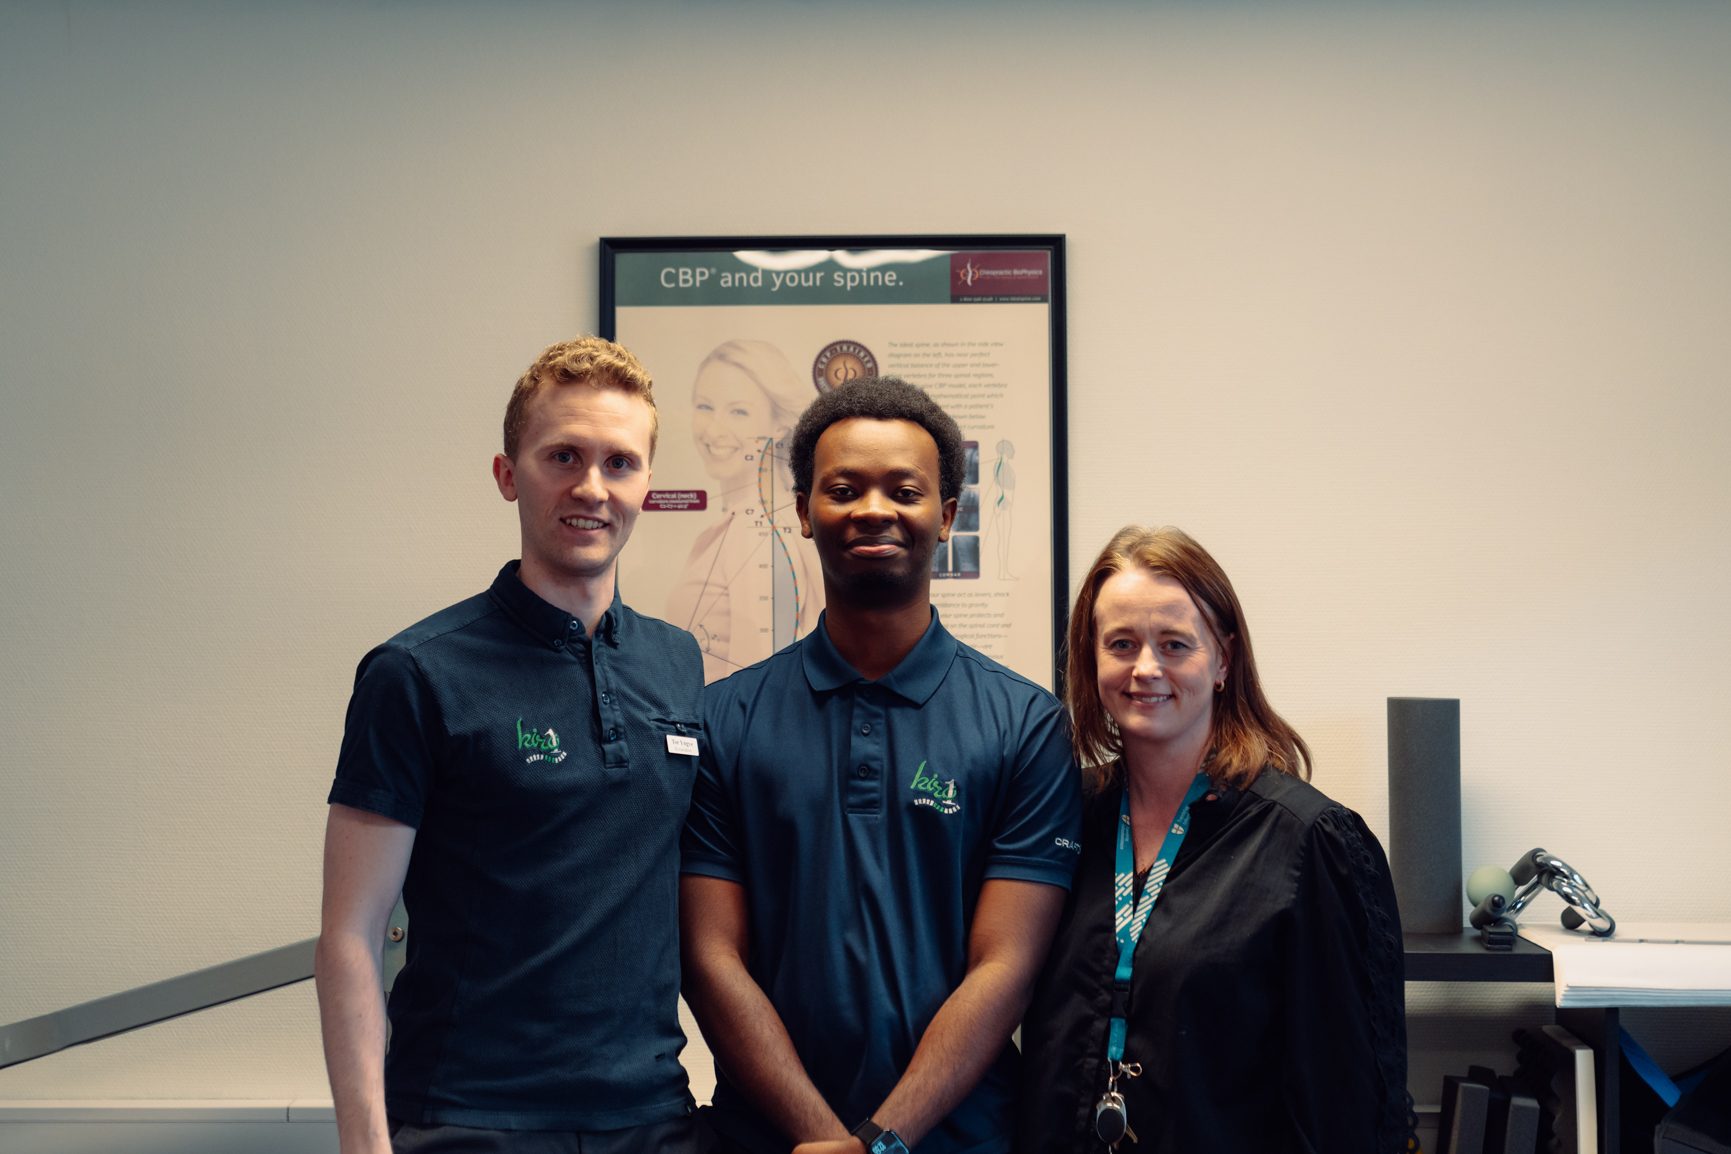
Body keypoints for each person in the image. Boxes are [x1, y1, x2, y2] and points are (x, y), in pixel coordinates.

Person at [315, 337, 707, 1154]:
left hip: (652, 1119)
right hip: (470, 1120)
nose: (590, 487)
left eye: (619, 462)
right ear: (507, 474)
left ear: (646, 485)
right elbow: (351, 933)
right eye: (562, 455)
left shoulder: (677, 662)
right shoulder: (415, 673)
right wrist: (363, 1143)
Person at [681, 377, 1082, 1154]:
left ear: (948, 516)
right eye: (842, 488)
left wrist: (879, 1142)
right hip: (766, 1140)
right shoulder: (723, 718)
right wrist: (823, 1137)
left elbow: (1006, 967)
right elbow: (709, 956)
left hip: (963, 1139)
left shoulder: (1024, 724)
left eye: (904, 489)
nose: (873, 509)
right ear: (802, 511)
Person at [1015, 526, 1407, 1153]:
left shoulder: (1310, 844)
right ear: (1091, 658)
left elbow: (1349, 1107)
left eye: (1175, 644)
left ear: (1223, 659)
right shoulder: (1059, 814)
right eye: (1121, 643)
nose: (1146, 668)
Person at [667, 339, 824, 682]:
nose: (714, 430)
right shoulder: (773, 519)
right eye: (705, 406)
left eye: (738, 411)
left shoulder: (756, 531)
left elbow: (753, 693)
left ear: (778, 425)